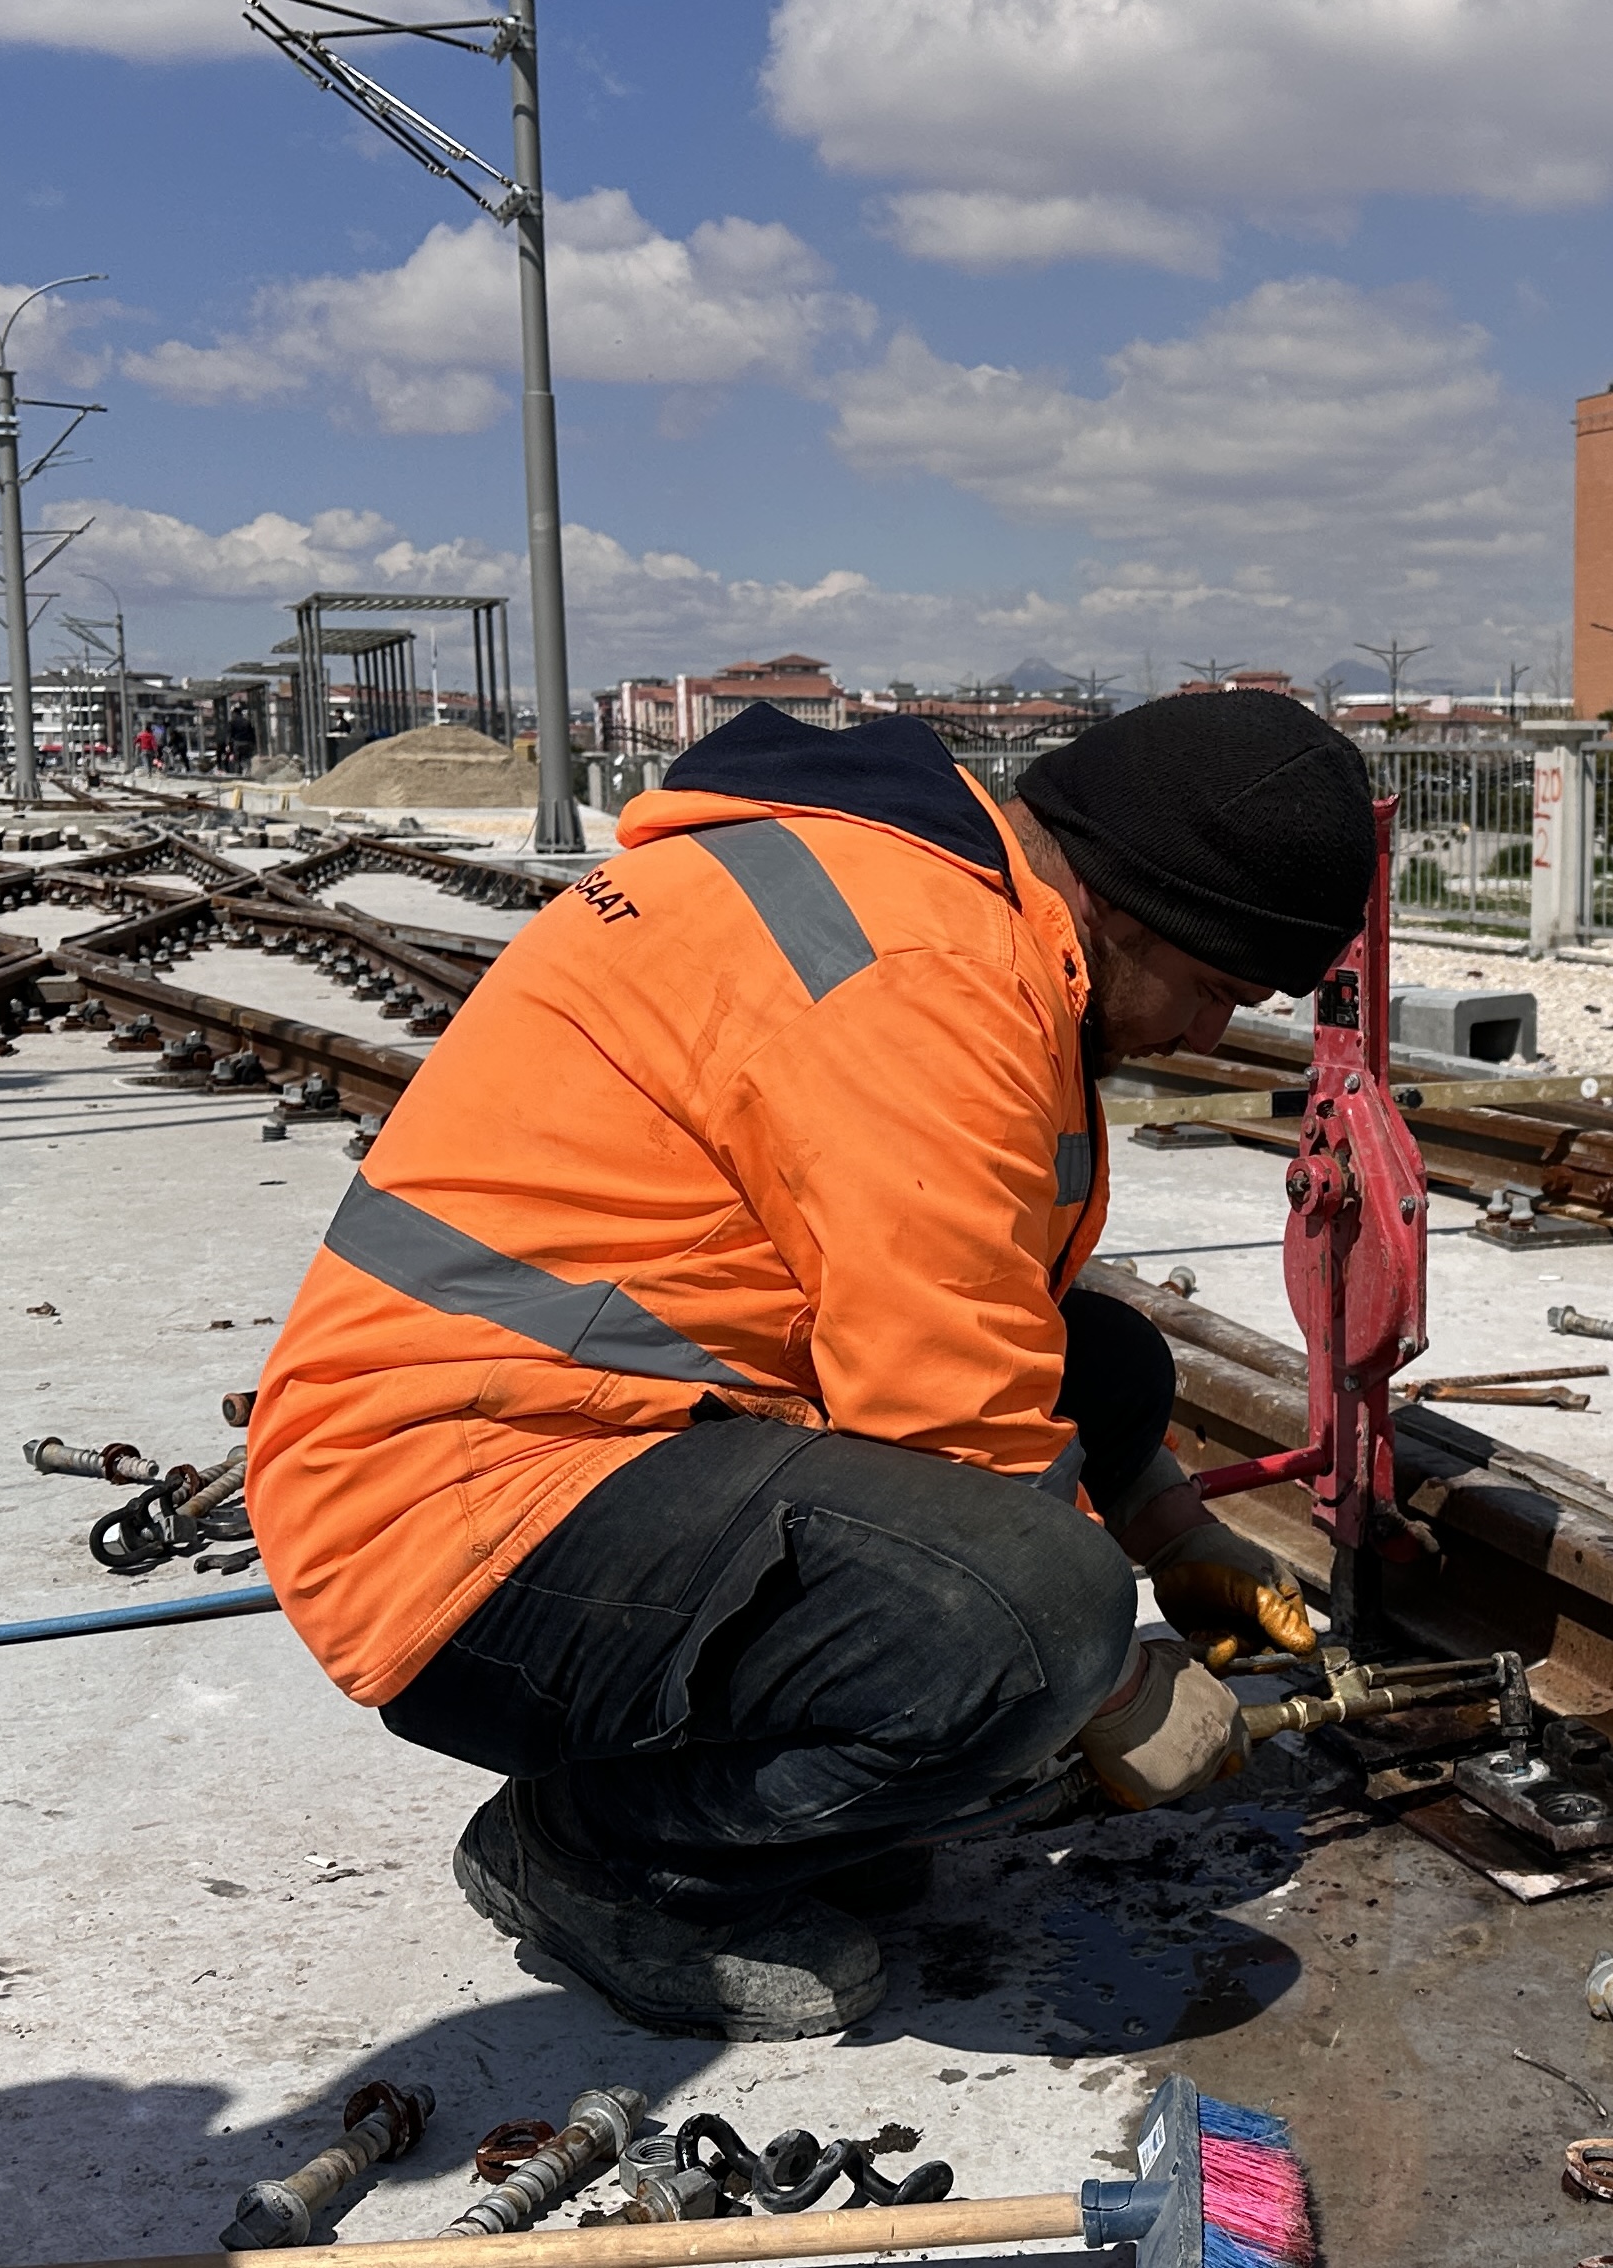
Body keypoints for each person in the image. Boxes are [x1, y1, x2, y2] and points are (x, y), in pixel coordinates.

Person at [250, 690, 1374, 2041]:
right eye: (1211, 990)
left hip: (574, 1429)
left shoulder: (952, 897)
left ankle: (788, 1782)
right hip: (455, 1518)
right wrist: (1123, 1686)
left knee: (1107, 1365)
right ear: (1127, 909)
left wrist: (1175, 1528)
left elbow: (993, 1321)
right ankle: (602, 1856)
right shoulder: (924, 974)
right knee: (1038, 1620)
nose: (1204, 1035)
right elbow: (943, 1395)